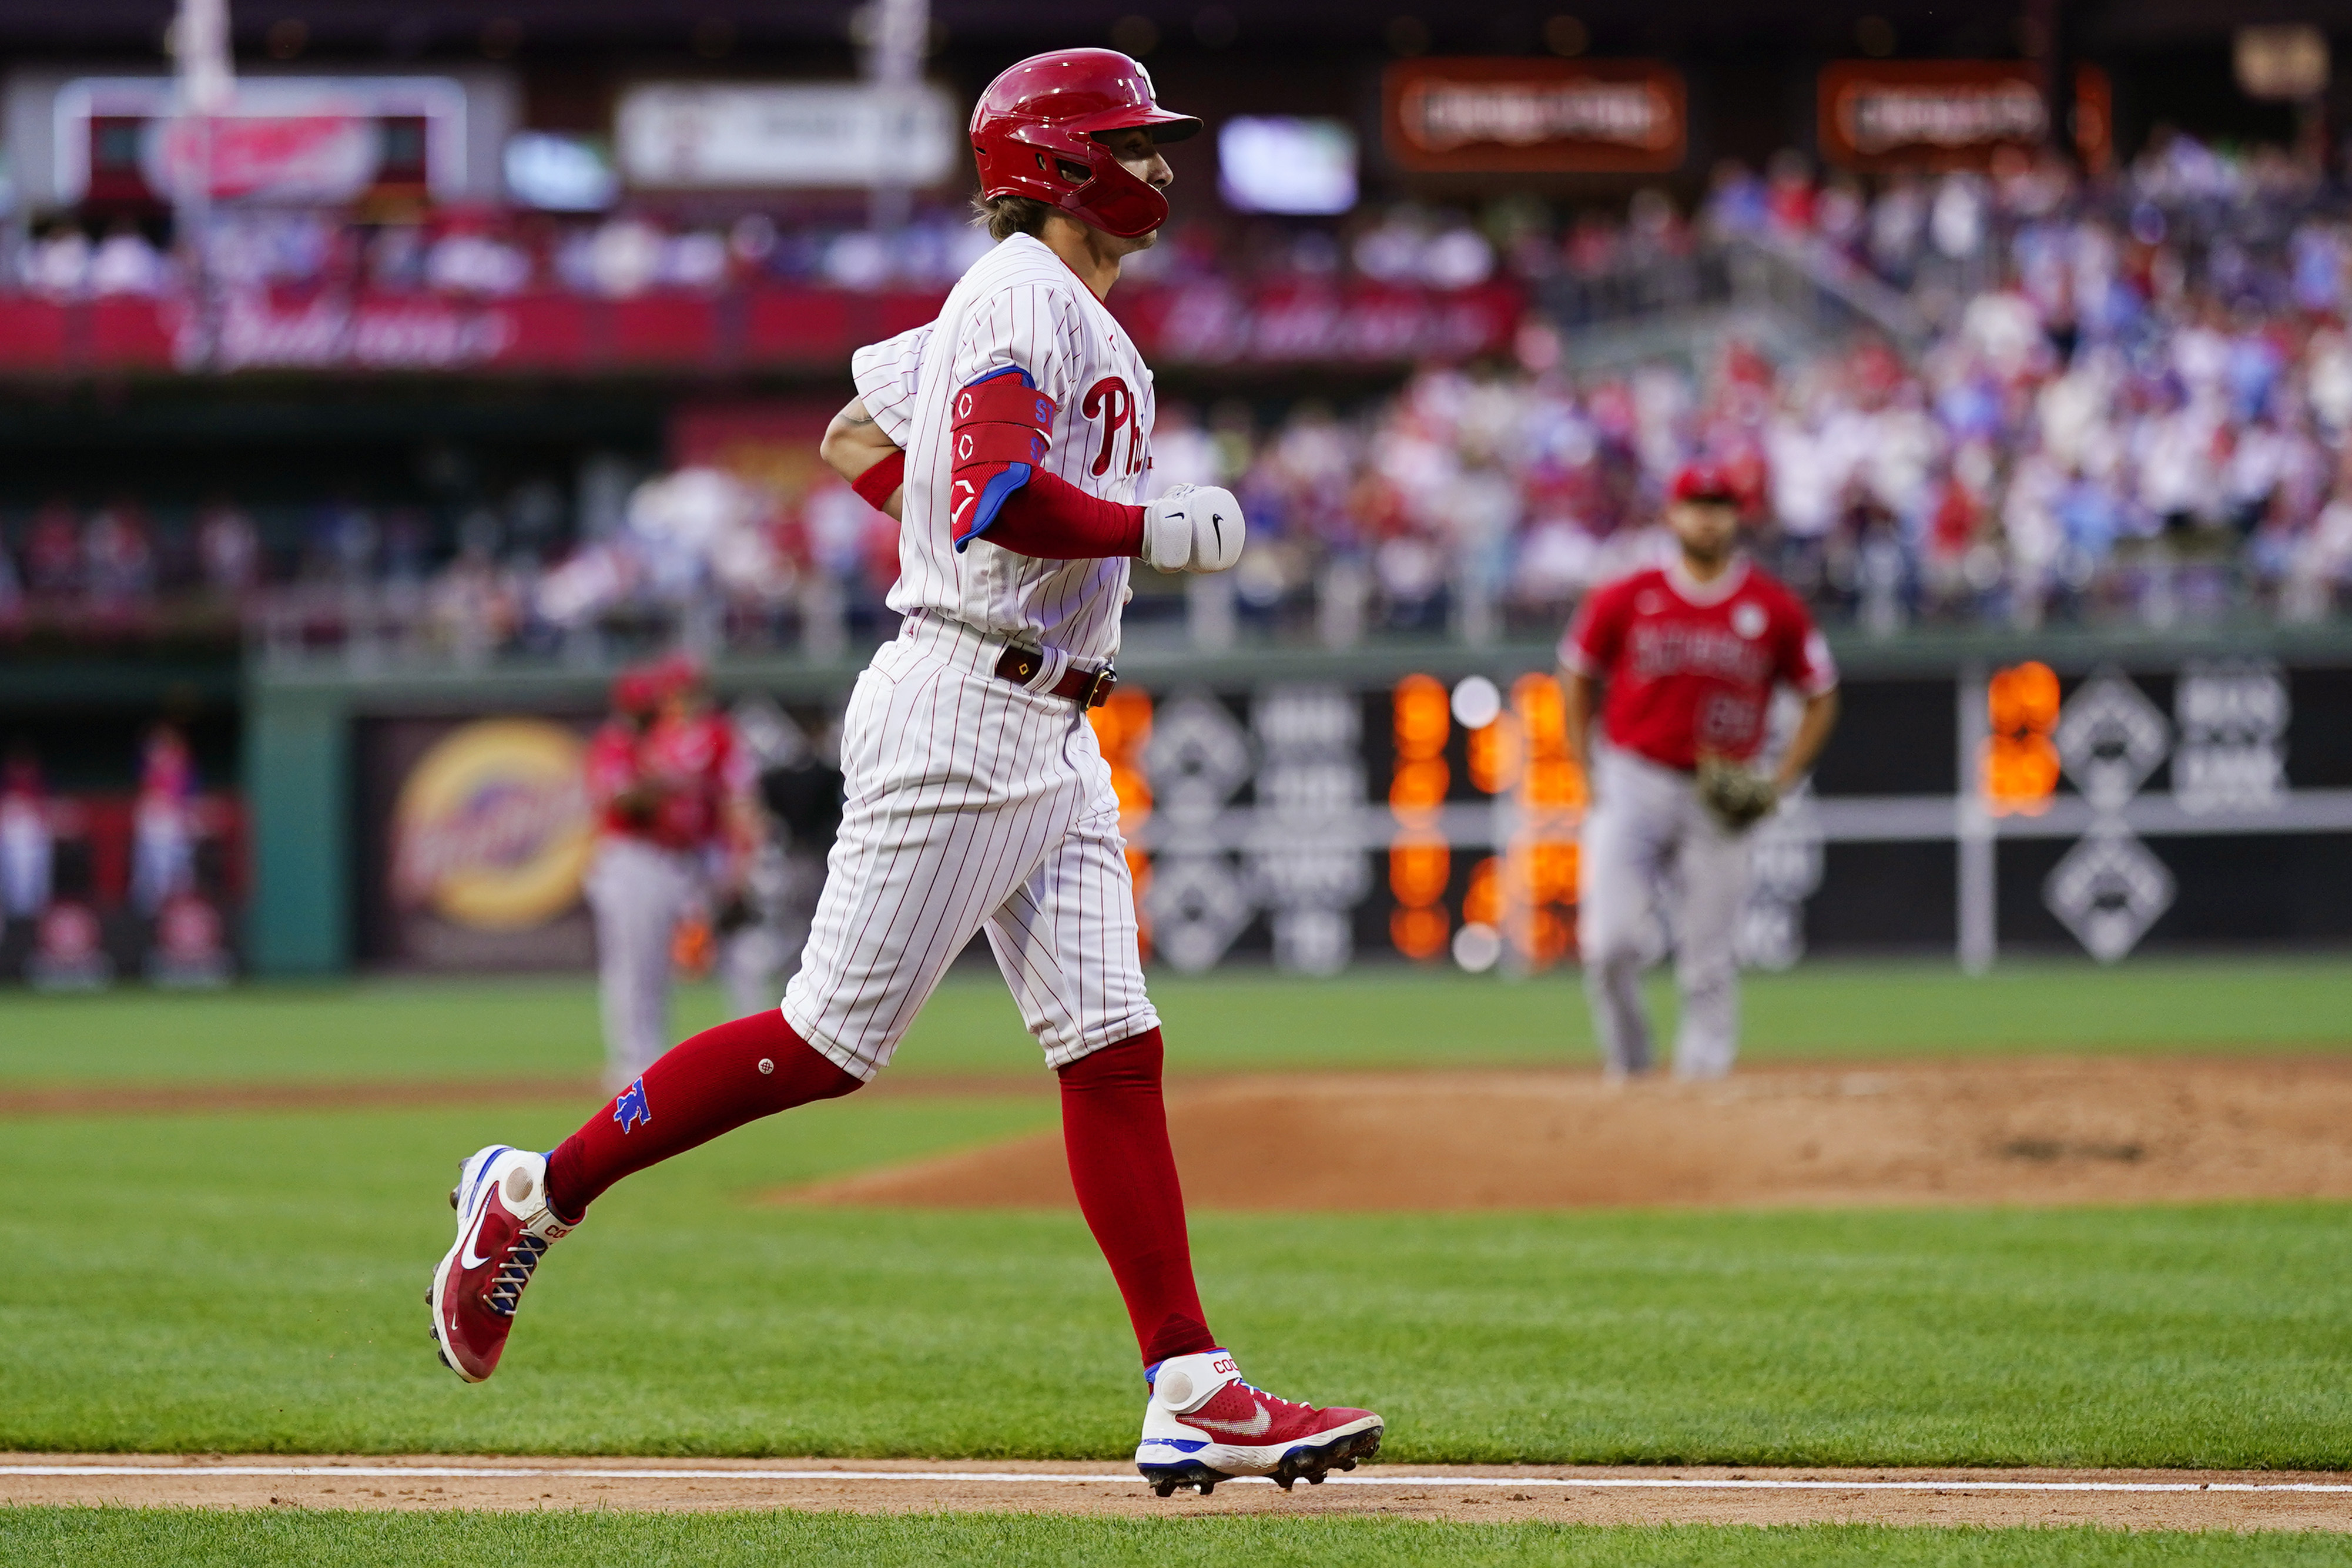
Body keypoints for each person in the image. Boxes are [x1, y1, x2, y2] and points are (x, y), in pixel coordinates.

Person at [429, 49, 1381, 1499]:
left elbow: (859, 434)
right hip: (964, 702)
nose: (1163, 168)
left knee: (1112, 1046)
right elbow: (994, 492)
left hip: (1046, 716)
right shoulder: (1014, 296)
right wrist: (1140, 532)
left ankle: (1189, 1386)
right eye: (1133, 141)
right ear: (1058, 164)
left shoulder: (1047, 311)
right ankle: (531, 1195)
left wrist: (954, 535)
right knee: (825, 1046)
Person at [1560, 463, 1841, 1079]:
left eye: (1719, 505)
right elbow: (1576, 672)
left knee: (1708, 960)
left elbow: (1822, 692)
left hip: (1720, 791)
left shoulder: (1772, 607)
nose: (1707, 516)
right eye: (1696, 504)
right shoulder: (1628, 595)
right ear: (1672, 513)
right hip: (1634, 777)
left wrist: (1780, 779)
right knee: (1609, 945)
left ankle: (1703, 1089)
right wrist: (1587, 768)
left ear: (1737, 517)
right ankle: (1631, 1066)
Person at [579, 653, 755, 1093]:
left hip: (691, 859)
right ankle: (636, 1066)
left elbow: (734, 801)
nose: (655, 709)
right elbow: (621, 802)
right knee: (637, 966)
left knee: (741, 953)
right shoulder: (620, 742)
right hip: (634, 858)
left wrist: (738, 862)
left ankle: (755, 1055)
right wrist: (669, 782)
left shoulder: (693, 738)